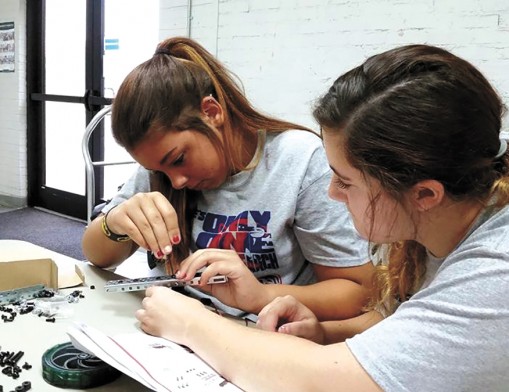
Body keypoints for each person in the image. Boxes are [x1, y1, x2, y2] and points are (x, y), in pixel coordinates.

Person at [135, 44, 509, 391]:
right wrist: (324, 334)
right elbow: (404, 322)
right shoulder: (449, 221)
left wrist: (193, 324)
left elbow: (328, 382)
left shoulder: (495, 273)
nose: (332, 192)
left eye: (345, 181)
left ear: (424, 194)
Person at [82, 36, 373, 321]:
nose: (176, 182)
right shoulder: (162, 166)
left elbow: (358, 291)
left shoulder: (299, 161)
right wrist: (115, 222)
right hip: (169, 324)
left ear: (211, 112)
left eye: (179, 160)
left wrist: (260, 296)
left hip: (252, 335)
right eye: (160, 171)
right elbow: (97, 255)